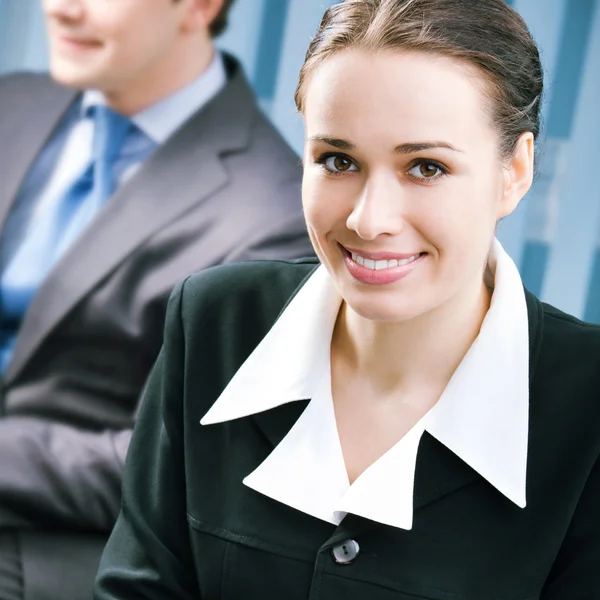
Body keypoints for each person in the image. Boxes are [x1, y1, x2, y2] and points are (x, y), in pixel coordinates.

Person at [94, 0, 600, 597]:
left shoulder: (587, 405)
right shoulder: (215, 322)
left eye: (426, 168)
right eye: (338, 161)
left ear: (514, 171)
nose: (369, 218)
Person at [0, 0, 313, 597]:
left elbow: (187, 460)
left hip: (53, 544)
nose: (61, 9)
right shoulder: (12, 103)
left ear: (199, 6)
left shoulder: (274, 216)